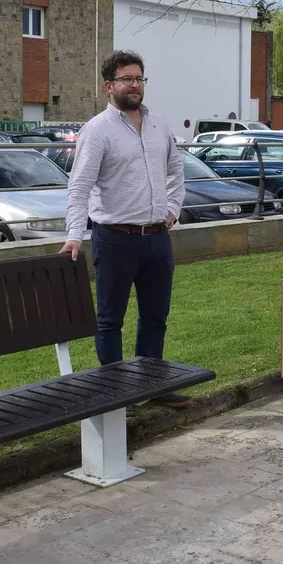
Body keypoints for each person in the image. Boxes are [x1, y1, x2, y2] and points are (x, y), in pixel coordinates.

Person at [60, 49, 189, 408]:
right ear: (108, 86)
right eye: (126, 79)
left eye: (139, 78)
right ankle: (117, 395)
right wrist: (74, 235)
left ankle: (152, 387)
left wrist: (172, 210)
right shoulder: (97, 131)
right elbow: (79, 187)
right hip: (115, 239)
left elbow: (176, 172)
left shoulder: (158, 125)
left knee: (155, 316)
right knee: (110, 320)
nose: (134, 85)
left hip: (157, 239)